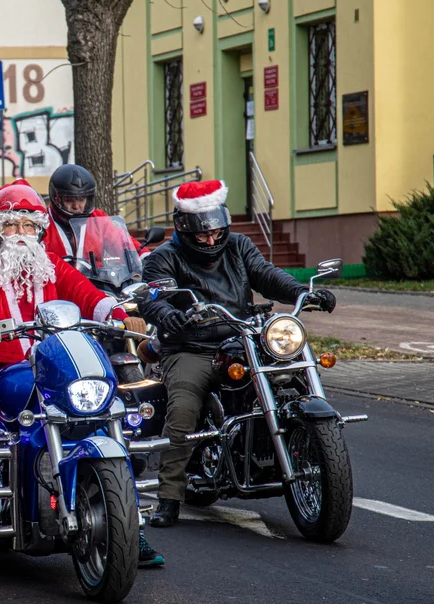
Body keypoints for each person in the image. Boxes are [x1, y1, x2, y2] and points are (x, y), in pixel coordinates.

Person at [0, 179, 164, 582]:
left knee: (107, 416)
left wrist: (120, 316)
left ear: (41, 230)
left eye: (29, 226)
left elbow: (89, 296)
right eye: (11, 225)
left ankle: (126, 528)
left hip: (54, 371)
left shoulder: (52, 265)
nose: (21, 234)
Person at [138, 180, 337, 527]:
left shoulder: (239, 245)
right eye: (203, 235)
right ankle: (169, 497)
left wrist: (304, 291)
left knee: (296, 363)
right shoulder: (163, 258)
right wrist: (172, 315)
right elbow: (153, 298)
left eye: (216, 232)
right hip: (192, 345)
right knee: (184, 405)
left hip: (243, 336)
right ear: (184, 229)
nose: (211, 240)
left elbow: (265, 274)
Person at [44, 164, 148, 266]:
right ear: (56, 198)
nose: (76, 206)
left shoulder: (97, 219)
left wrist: (146, 257)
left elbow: (121, 241)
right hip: (58, 281)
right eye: (69, 200)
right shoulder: (43, 223)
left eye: (81, 199)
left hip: (97, 281)